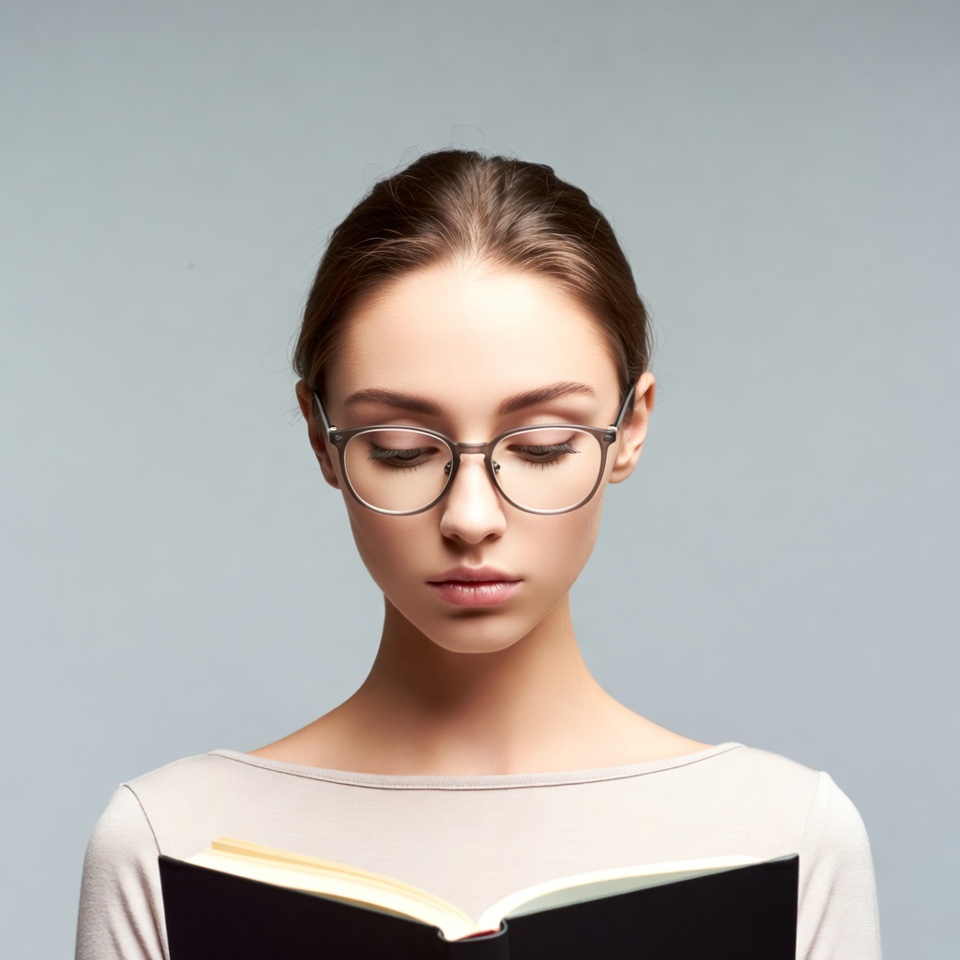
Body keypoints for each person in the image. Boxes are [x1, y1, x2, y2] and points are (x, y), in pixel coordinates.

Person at [76, 149, 881, 959]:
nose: (469, 517)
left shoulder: (788, 836)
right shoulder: (170, 843)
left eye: (540, 446)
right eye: (399, 448)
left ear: (630, 428)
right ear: (323, 440)